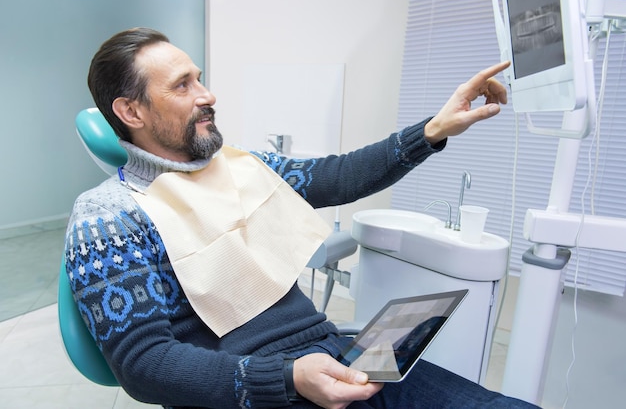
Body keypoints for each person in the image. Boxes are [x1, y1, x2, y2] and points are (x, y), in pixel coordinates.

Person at [65, 27, 536, 409]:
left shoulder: (242, 166)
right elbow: (146, 366)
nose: (207, 95)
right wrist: (288, 378)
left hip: (338, 360)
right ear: (130, 111)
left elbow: (340, 175)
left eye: (200, 78)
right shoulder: (108, 218)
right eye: (183, 85)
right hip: (259, 392)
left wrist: (433, 129)